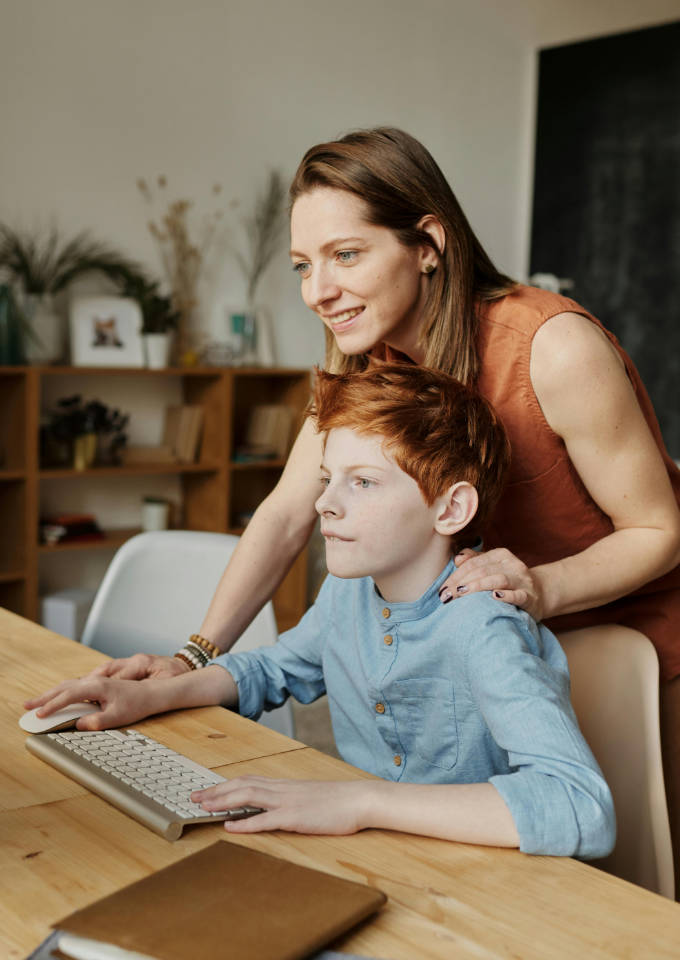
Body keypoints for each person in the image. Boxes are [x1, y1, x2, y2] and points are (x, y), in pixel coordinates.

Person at [45, 128, 680, 885]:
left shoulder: (554, 347)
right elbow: (286, 511)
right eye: (304, 266)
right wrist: (191, 658)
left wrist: (541, 589)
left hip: (623, 638)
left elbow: (658, 529)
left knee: (635, 877)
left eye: (345, 255)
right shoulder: (362, 360)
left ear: (428, 244)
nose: (318, 290)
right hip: (483, 633)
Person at [26, 363, 616, 858]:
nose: (323, 504)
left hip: (476, 876)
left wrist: (359, 800)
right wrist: (157, 692)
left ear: (451, 507)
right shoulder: (349, 591)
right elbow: (277, 667)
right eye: (328, 478)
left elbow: (579, 805)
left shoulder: (482, 625)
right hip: (372, 850)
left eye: (362, 483)